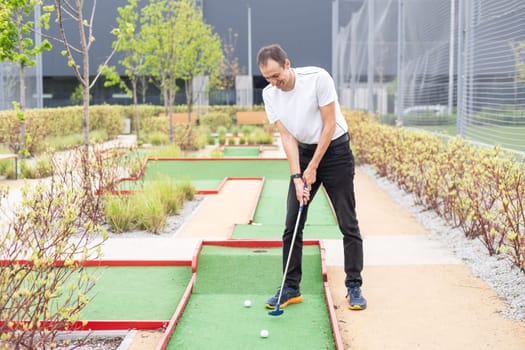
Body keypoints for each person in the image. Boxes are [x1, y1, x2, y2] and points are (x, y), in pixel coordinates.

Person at [257, 44, 366, 311]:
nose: (274, 82)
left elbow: (329, 125)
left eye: (276, 75)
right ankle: (291, 287)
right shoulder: (270, 93)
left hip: (335, 151)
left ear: (287, 64)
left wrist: (314, 166)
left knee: (347, 221)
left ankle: (354, 286)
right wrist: (297, 175)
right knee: (292, 223)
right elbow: (287, 136)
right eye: (267, 77)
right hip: (304, 153)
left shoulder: (318, 79)